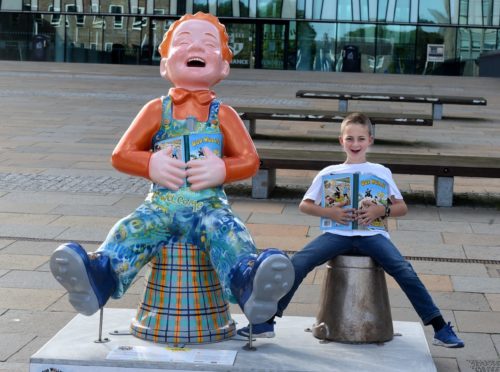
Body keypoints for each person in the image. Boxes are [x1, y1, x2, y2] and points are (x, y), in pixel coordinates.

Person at [49, 12, 293, 331]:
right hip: (160, 206)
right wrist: (151, 163)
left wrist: (222, 168)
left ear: (223, 66)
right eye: (184, 42)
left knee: (229, 233)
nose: (196, 47)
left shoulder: (225, 115)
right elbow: (121, 154)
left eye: (208, 43)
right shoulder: (156, 110)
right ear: (165, 65)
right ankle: (100, 276)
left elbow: (249, 159)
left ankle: (247, 283)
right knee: (131, 229)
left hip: (208, 207)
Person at [237, 113, 464, 348]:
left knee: (404, 270)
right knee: (298, 264)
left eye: (361, 139)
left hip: (372, 235)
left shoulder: (380, 171)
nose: (355, 144)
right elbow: (305, 205)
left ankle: (439, 327)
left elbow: (402, 207)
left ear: (370, 140)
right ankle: (266, 323)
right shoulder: (329, 172)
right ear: (341, 141)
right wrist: (330, 213)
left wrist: (380, 210)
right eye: (350, 139)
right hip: (337, 234)